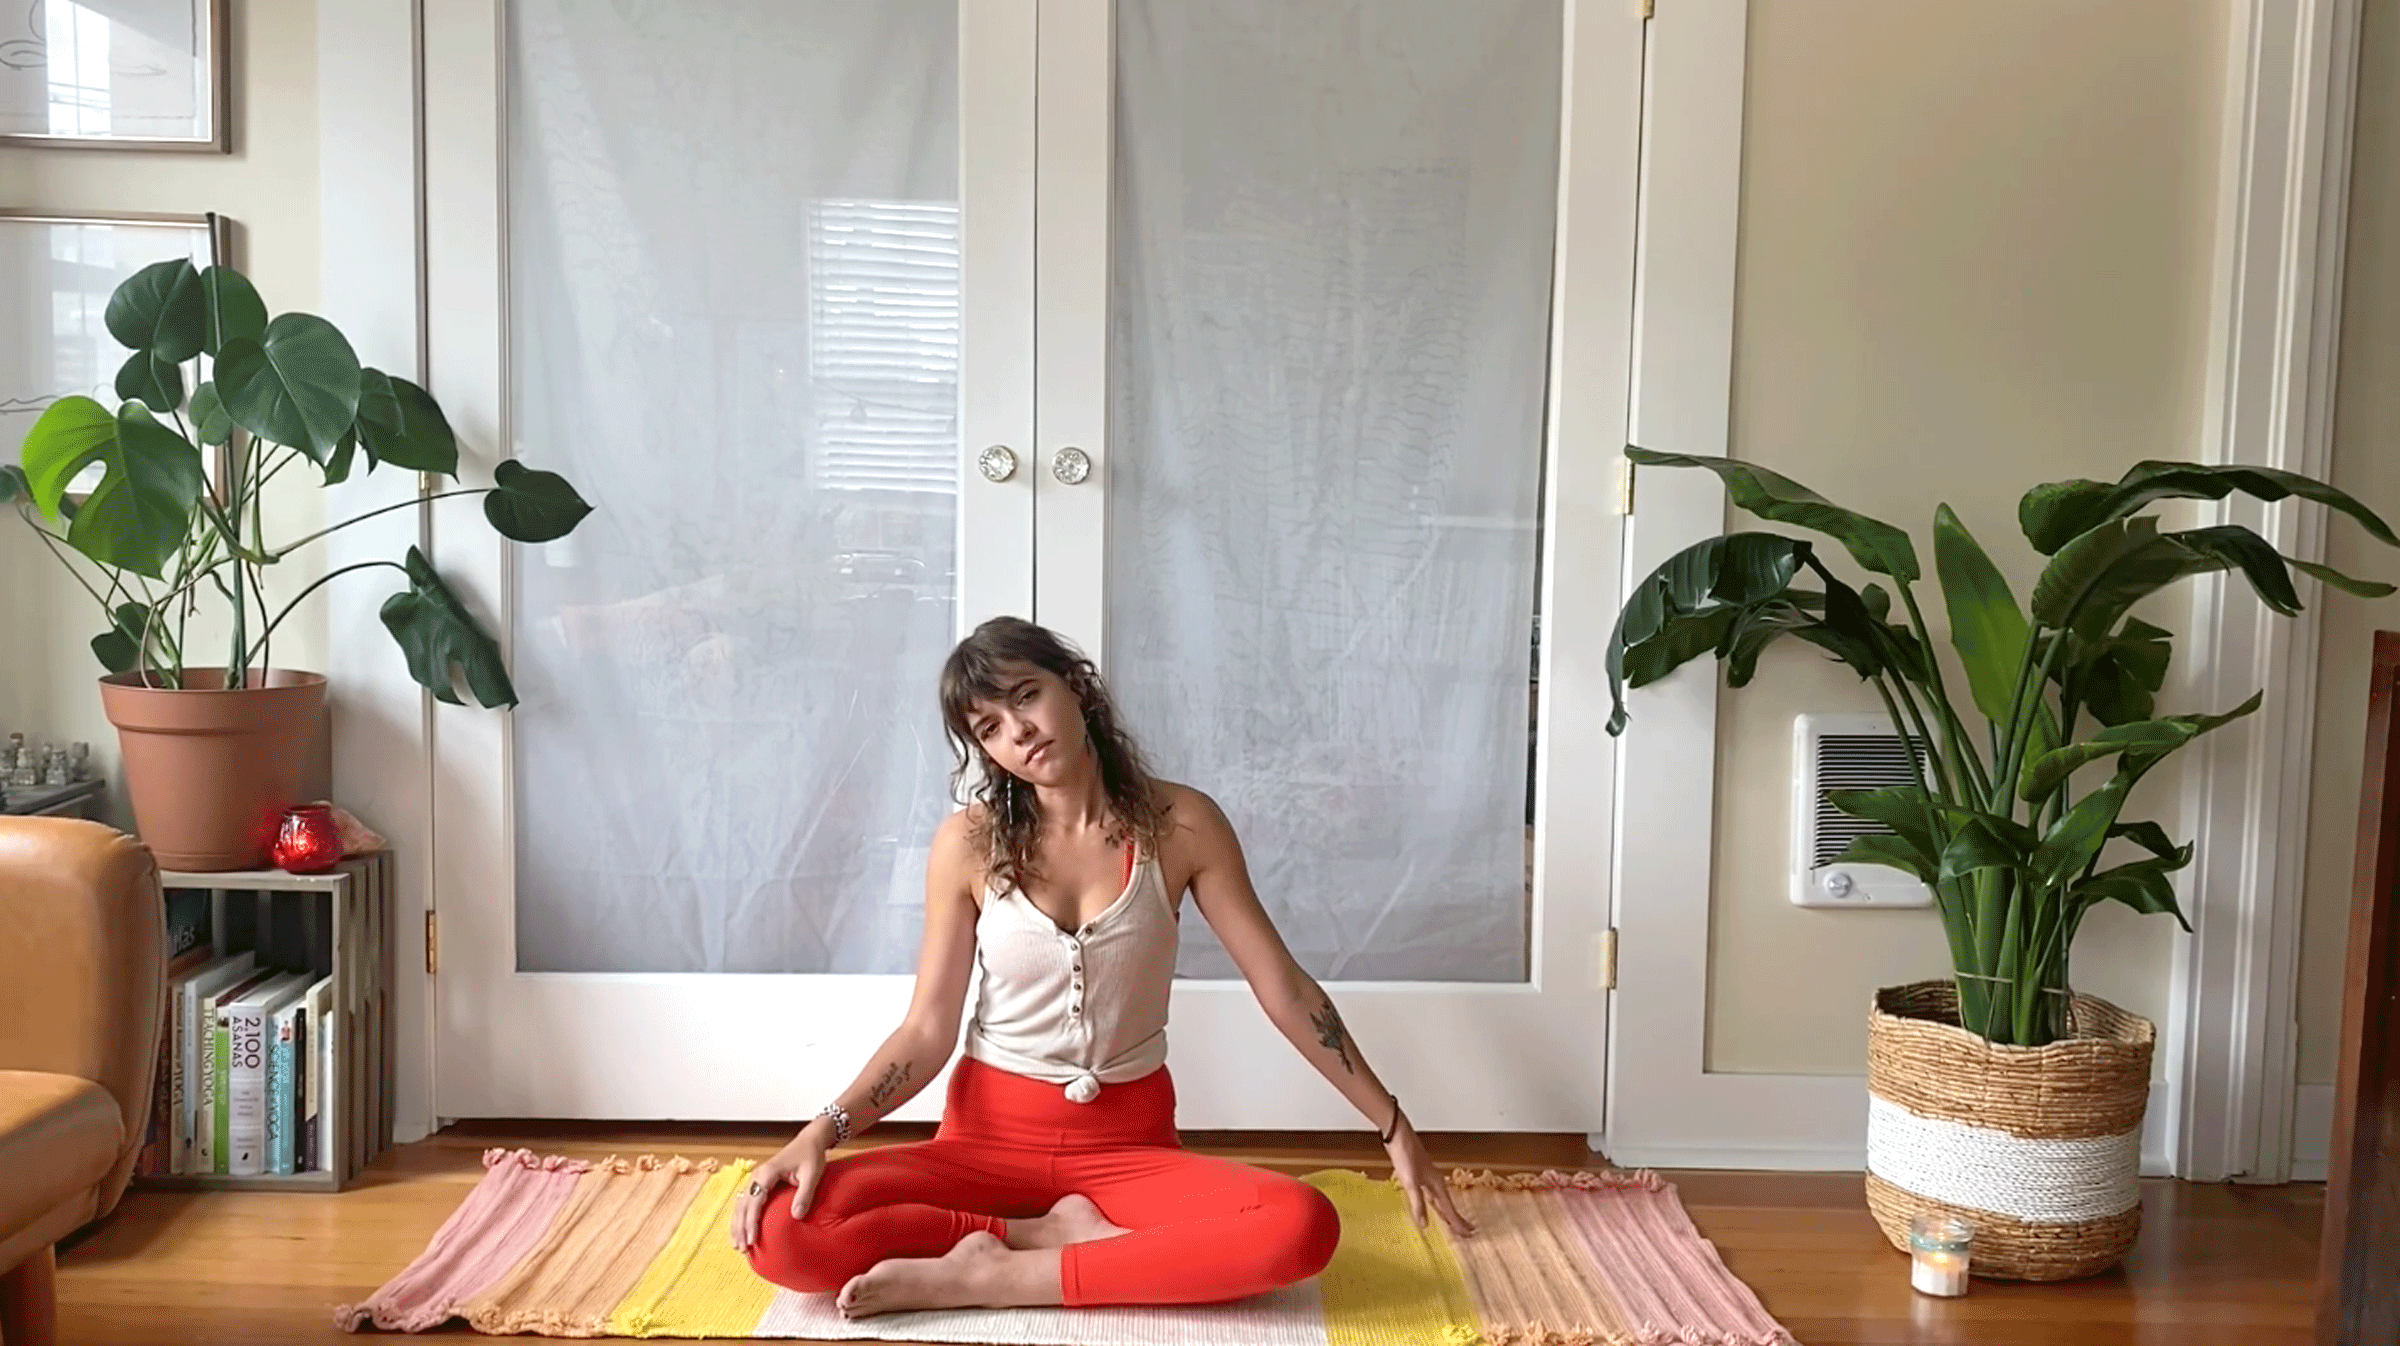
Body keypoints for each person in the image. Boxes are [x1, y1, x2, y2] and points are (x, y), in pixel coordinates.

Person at [732, 616, 1474, 1318]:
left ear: (1076, 687)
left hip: (1128, 1153)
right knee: (779, 1229)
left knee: (1301, 1225)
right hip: (984, 1146)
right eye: (989, 729)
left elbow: (1282, 989)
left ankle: (1005, 1276)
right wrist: (822, 1132)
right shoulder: (969, 843)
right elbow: (927, 1030)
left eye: (1027, 696)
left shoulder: (1182, 824)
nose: (1018, 733)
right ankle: (1044, 1239)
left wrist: (1392, 1121)